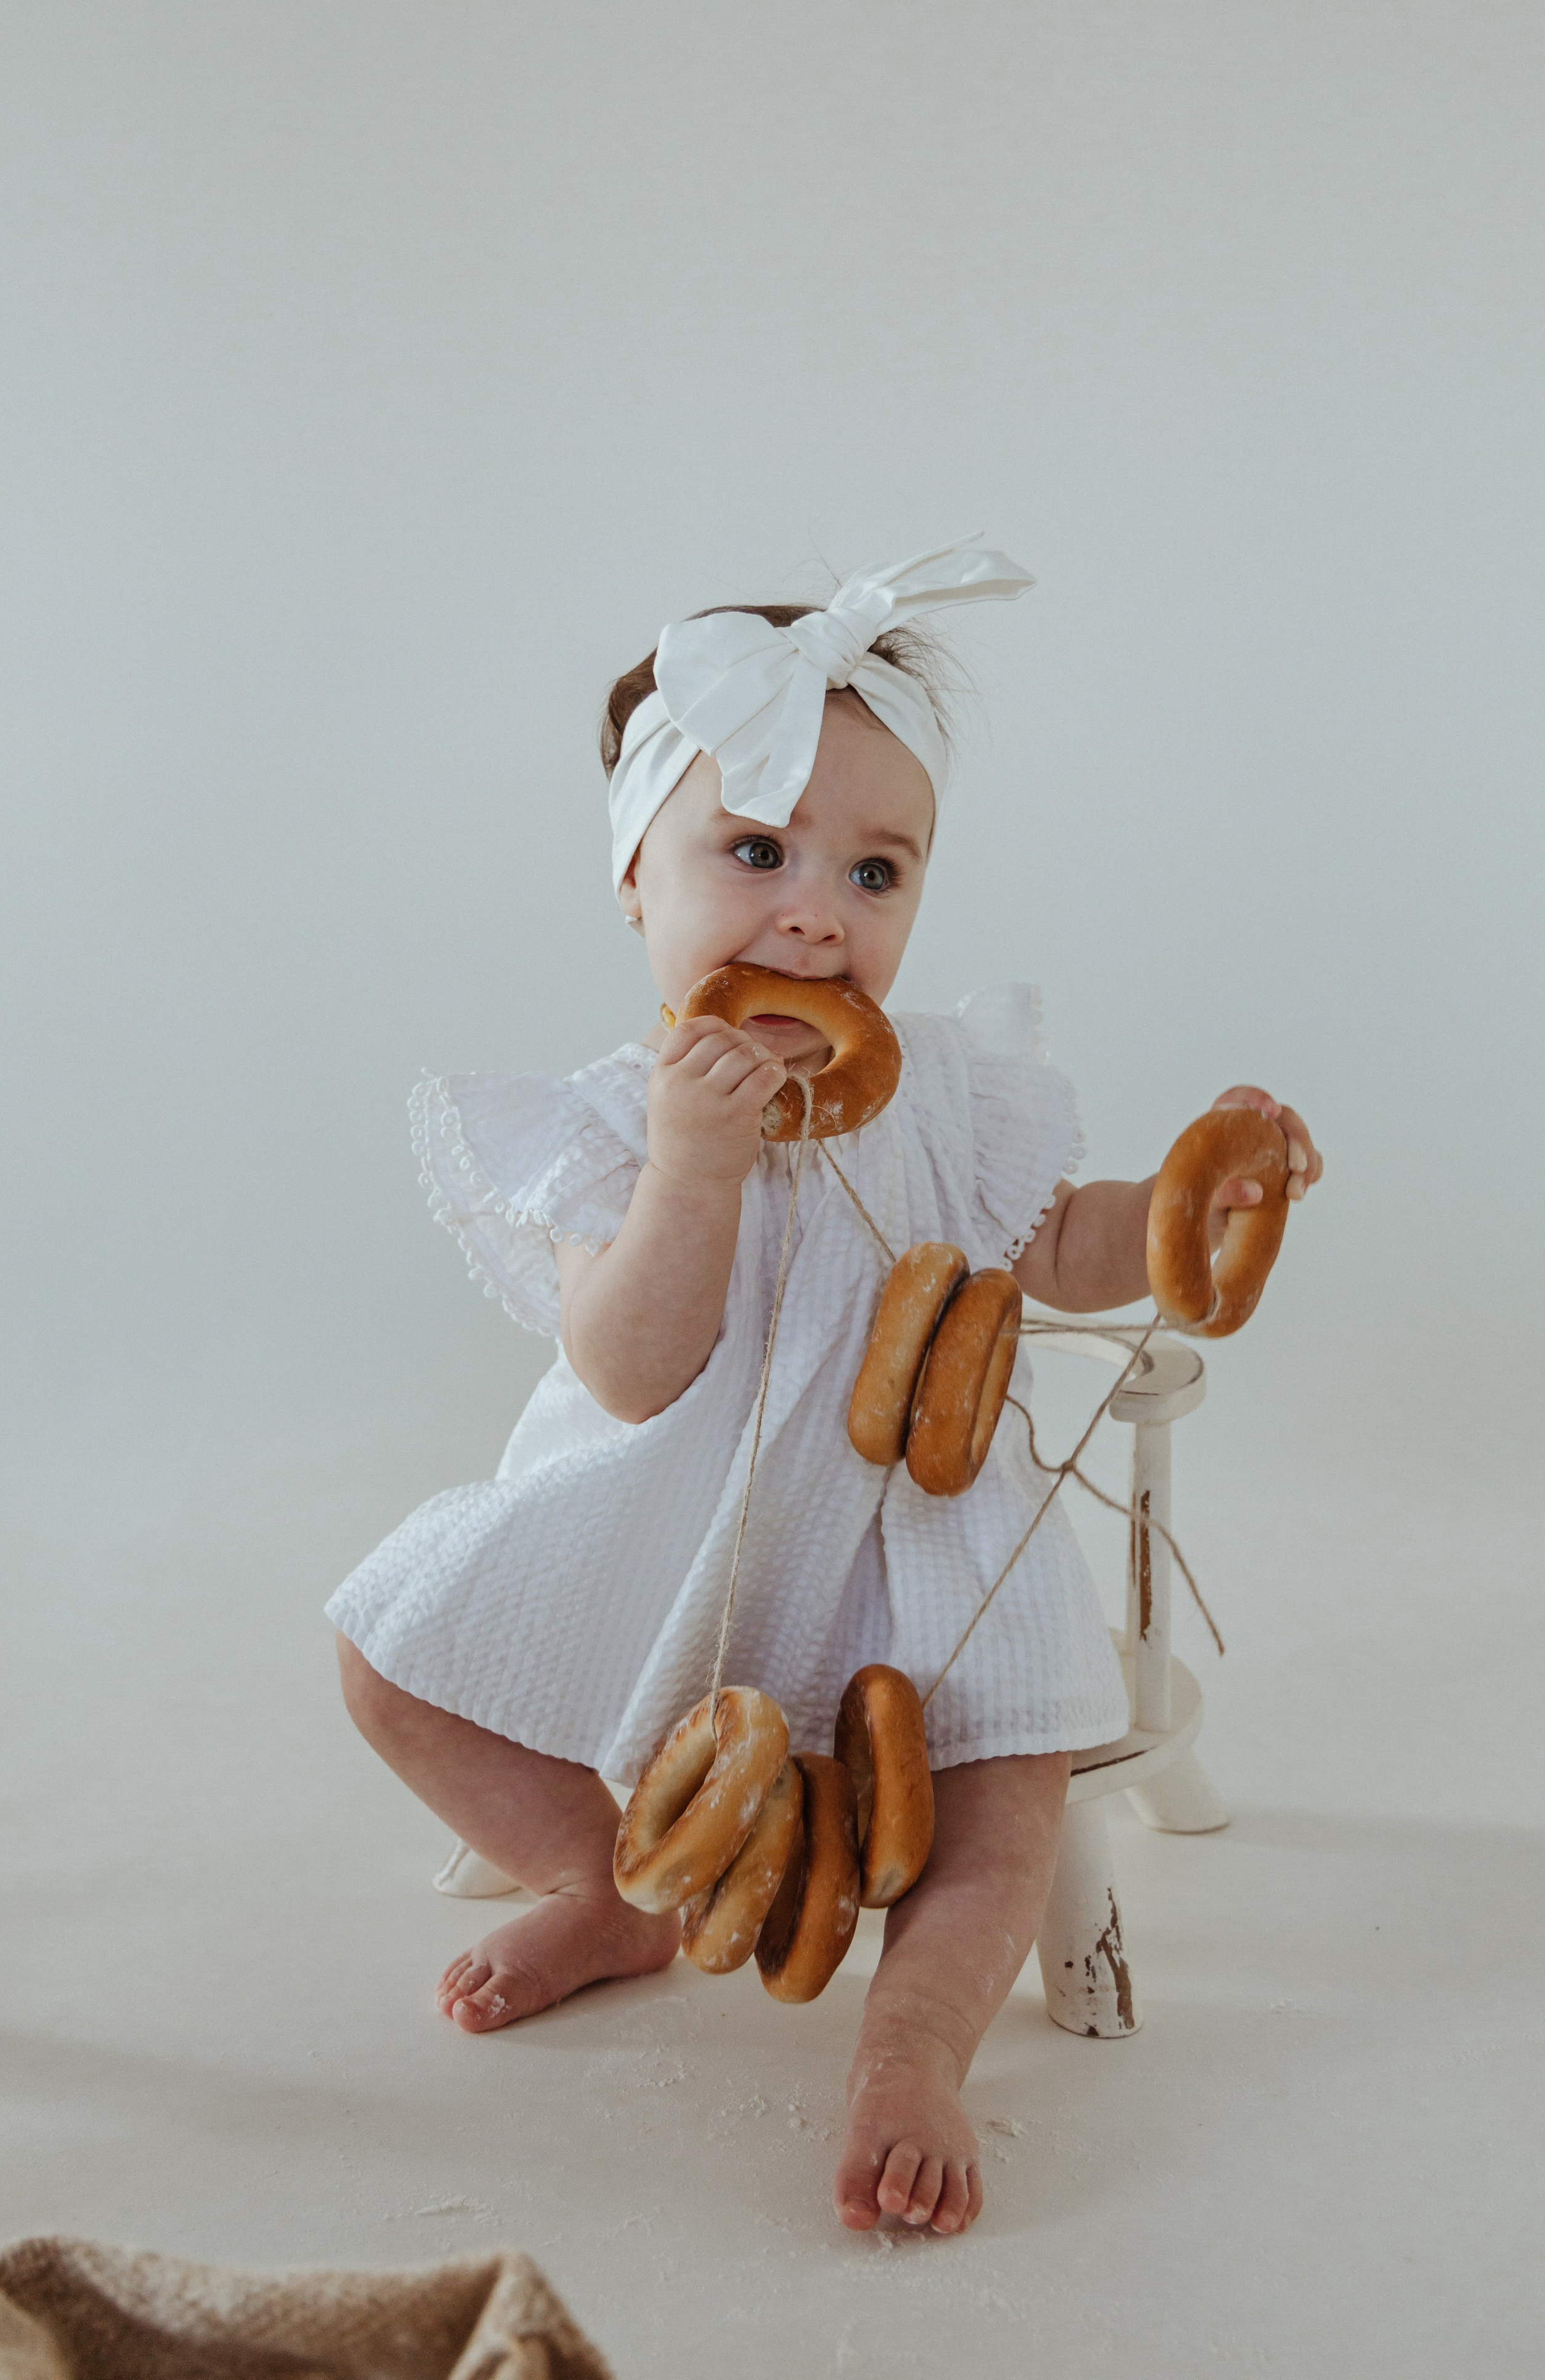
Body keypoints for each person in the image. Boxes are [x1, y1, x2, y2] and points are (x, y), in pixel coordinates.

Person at [329, 537, 1323, 2236]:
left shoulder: (947, 1094)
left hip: (910, 1551)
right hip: (664, 1544)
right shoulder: (605, 1129)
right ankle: (616, 1884)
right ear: (637, 884)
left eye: (877, 872)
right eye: (754, 852)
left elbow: (1059, 1243)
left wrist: (1188, 1212)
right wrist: (693, 1175)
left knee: (1006, 1800)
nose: (815, 908)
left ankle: (913, 2046)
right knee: (387, 1665)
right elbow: (631, 1375)